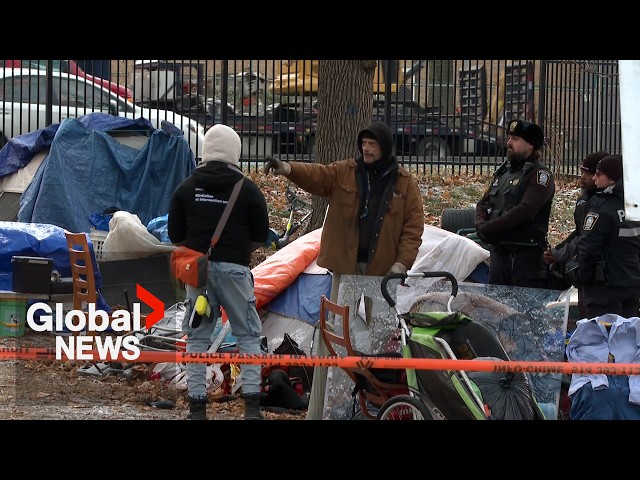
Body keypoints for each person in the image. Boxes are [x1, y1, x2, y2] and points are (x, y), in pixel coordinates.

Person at [263, 120, 425, 419]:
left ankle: (372, 406)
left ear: (386, 147)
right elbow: (317, 176)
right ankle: (323, 410)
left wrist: (400, 265)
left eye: (372, 144)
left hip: (381, 277)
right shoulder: (345, 172)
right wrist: (287, 168)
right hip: (344, 272)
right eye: (363, 143)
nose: (366, 148)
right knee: (334, 339)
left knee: (376, 341)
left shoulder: (404, 184)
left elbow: (413, 230)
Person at [168, 124, 270, 420]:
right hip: (236, 273)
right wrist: (238, 251)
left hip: (198, 275)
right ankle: (252, 408)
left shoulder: (186, 188)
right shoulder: (248, 189)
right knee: (248, 335)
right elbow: (261, 233)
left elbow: (175, 234)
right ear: (235, 151)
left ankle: (197, 407)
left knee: (198, 337)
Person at [474, 119, 555, 288]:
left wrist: (488, 228)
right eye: (509, 138)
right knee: (496, 308)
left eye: (515, 139)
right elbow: (484, 202)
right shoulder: (504, 172)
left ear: (530, 145)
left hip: (525, 259)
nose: (509, 143)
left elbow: (525, 210)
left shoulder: (539, 175)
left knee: (524, 310)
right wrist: (481, 224)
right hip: (499, 254)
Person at [543, 151, 609, 316]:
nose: (584, 177)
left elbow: (586, 238)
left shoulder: (606, 205)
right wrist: (557, 251)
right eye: (582, 172)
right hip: (585, 273)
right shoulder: (584, 199)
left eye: (589, 173)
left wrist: (560, 255)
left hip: (604, 274)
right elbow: (579, 231)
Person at [577, 154, 640, 318]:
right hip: (632, 284)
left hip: (605, 287)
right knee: (627, 339)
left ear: (611, 178)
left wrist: (583, 279)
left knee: (602, 339)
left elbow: (588, 246)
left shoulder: (601, 204)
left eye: (599, 174)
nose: (595, 178)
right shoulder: (634, 203)